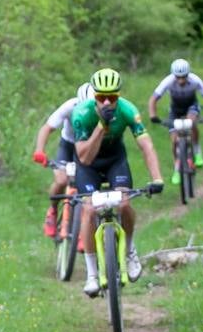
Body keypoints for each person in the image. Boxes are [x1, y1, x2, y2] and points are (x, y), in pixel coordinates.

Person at [68, 68, 165, 294]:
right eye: (102, 97)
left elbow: (146, 145)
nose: (107, 102)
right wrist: (101, 126)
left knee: (124, 203)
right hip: (88, 165)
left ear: (119, 96)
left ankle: (130, 251)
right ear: (94, 97)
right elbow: (84, 157)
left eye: (113, 97)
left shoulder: (127, 110)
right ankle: (92, 274)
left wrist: (157, 178)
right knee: (89, 210)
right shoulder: (81, 114)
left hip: (115, 161)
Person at [32, 82, 94, 237]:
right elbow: (47, 128)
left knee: (89, 184)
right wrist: (40, 151)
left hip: (87, 147)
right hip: (68, 145)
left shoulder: (98, 110)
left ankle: (86, 227)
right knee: (61, 180)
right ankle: (52, 210)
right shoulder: (69, 106)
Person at [148, 59, 203, 185]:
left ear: (188, 74)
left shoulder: (195, 80)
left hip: (191, 106)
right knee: (174, 140)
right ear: (174, 75)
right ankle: (177, 168)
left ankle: (197, 152)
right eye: (178, 77)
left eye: (184, 77)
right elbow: (153, 99)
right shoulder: (168, 81)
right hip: (175, 109)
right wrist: (153, 115)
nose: (181, 80)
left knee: (191, 123)